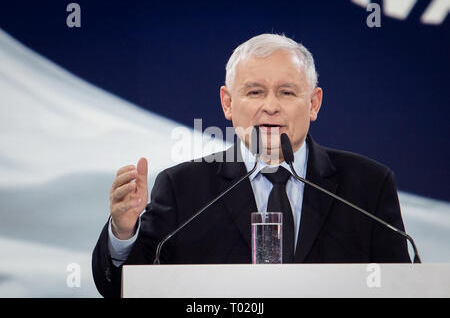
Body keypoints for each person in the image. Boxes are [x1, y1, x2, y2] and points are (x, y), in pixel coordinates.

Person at [92, 34, 411, 298]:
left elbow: (400, 289)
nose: (270, 106)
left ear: (313, 103)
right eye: (255, 92)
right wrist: (123, 232)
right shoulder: (182, 187)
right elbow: (124, 290)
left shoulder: (368, 185)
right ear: (227, 103)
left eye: (286, 92)